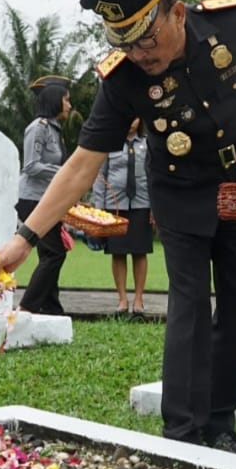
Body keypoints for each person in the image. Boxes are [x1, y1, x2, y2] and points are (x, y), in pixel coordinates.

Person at [0, 0, 236, 457]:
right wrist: (25, 238)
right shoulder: (122, 78)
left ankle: (220, 423)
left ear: (176, 12)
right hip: (180, 195)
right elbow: (82, 164)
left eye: (148, 41)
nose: (141, 56)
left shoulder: (233, 23)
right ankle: (181, 431)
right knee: (190, 304)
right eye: (127, 45)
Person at [15, 80, 73, 316]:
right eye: (66, 99)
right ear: (55, 101)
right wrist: (65, 173)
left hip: (48, 199)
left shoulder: (55, 130)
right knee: (54, 253)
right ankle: (28, 305)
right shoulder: (37, 128)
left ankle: (51, 308)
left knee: (49, 254)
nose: (69, 105)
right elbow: (30, 165)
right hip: (32, 200)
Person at [94, 116, 154, 320]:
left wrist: (155, 207)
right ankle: (122, 299)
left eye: (134, 117)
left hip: (142, 204)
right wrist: (99, 208)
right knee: (117, 252)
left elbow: (153, 175)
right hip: (115, 206)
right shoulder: (110, 144)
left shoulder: (148, 144)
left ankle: (138, 299)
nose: (130, 122)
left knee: (140, 251)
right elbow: (100, 177)